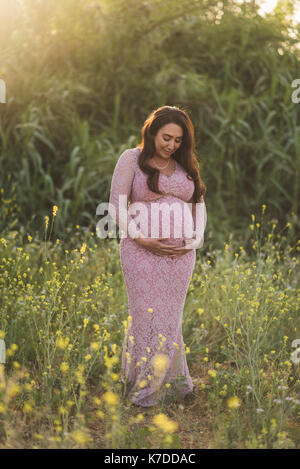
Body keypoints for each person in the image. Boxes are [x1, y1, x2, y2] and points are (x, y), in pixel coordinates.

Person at [108, 105, 207, 407]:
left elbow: (199, 203)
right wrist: (143, 239)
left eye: (178, 140)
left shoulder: (184, 165)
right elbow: (116, 205)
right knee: (146, 317)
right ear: (151, 131)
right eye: (166, 138)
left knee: (170, 319)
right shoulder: (131, 160)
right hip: (140, 251)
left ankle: (177, 385)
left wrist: (197, 238)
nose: (171, 145)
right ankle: (144, 394)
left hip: (180, 258)